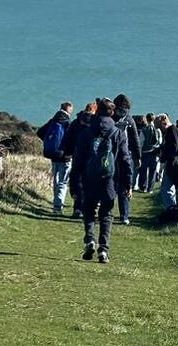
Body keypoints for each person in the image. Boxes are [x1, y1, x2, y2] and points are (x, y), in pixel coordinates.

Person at [69, 98, 130, 263]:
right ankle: (103, 249)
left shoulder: (86, 132)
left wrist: (74, 184)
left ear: (97, 112)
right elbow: (125, 160)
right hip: (110, 179)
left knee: (89, 210)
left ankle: (90, 239)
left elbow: (78, 160)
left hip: (89, 178)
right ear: (112, 113)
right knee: (107, 214)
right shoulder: (118, 133)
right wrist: (128, 184)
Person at [36, 102, 73, 215]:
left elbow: (40, 132)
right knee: (63, 181)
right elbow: (72, 138)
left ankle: (56, 202)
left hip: (53, 155)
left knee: (56, 180)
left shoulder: (53, 120)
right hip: (65, 156)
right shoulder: (67, 123)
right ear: (69, 110)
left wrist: (49, 142)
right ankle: (58, 206)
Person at [60, 100, 96, 218]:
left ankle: (78, 208)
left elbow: (68, 139)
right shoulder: (96, 123)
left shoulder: (76, 122)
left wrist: (68, 153)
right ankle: (89, 208)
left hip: (78, 154)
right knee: (91, 182)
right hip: (92, 156)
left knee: (78, 181)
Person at [111, 93, 139, 225]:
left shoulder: (110, 117)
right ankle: (124, 215)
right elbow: (135, 139)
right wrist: (138, 156)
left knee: (111, 183)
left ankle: (108, 212)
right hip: (125, 154)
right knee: (124, 185)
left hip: (111, 154)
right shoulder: (129, 119)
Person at [157, 114, 178, 210]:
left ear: (164, 123)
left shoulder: (172, 130)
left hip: (173, 162)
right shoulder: (172, 130)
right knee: (168, 187)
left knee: (166, 187)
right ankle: (171, 208)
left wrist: (164, 154)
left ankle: (170, 208)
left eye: (160, 126)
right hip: (172, 161)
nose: (161, 129)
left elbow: (174, 147)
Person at [137, 114, 163, 191]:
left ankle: (143, 187)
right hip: (154, 152)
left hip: (145, 152)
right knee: (153, 171)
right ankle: (150, 188)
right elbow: (160, 142)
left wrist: (139, 153)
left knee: (143, 170)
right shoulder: (158, 130)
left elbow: (141, 142)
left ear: (147, 119)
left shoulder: (144, 130)